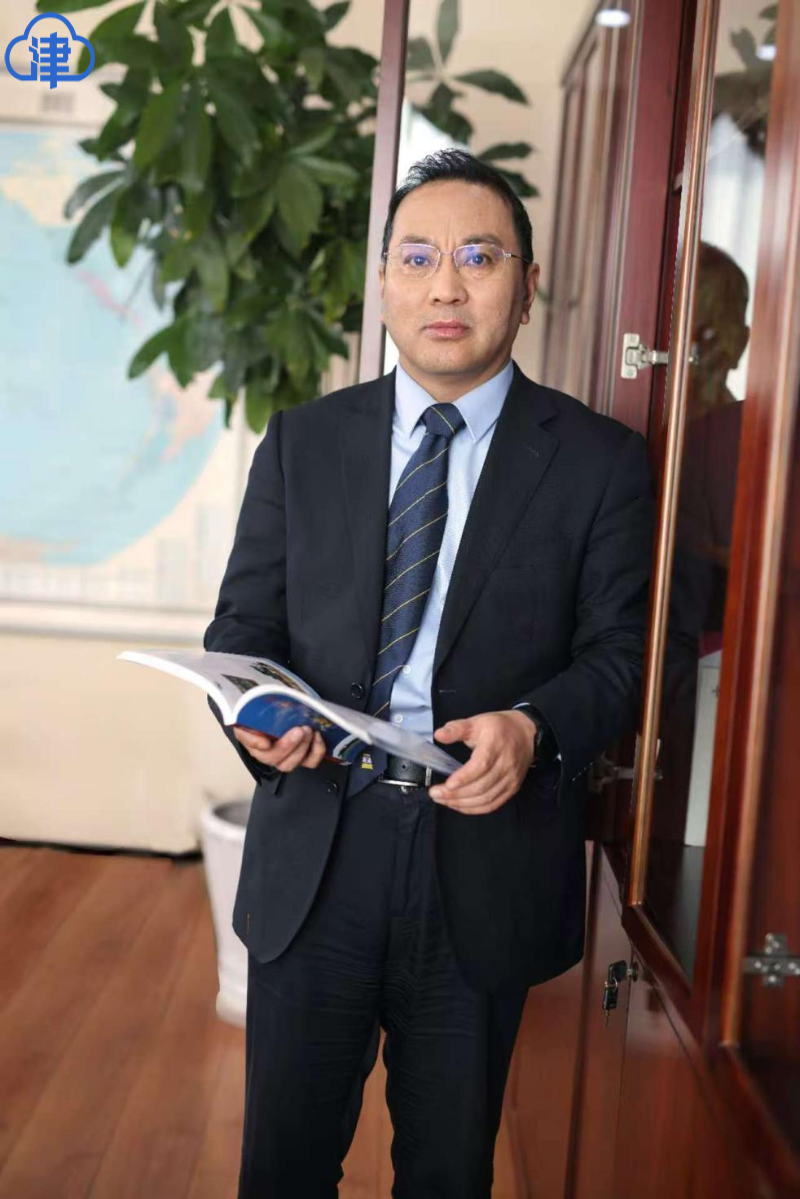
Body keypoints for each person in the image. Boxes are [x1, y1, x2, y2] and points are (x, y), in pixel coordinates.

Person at [204, 148, 654, 1198]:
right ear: (383, 284)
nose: (445, 286)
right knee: (281, 1165)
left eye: (477, 257)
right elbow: (243, 624)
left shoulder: (599, 461)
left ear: (526, 285)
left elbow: (624, 656)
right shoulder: (303, 442)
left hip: (481, 861)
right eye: (417, 257)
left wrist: (533, 726)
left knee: (448, 1171)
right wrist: (255, 716)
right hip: (320, 841)